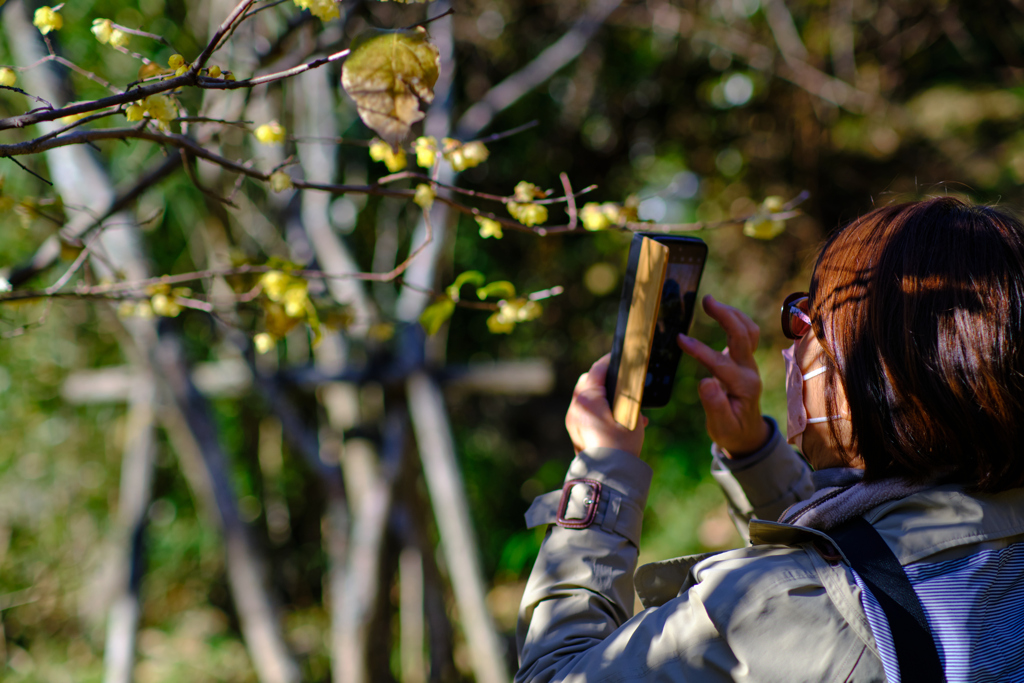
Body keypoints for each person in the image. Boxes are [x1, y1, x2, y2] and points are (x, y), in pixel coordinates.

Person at [516, 197, 1024, 682]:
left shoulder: (762, 608)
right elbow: (874, 558)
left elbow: (554, 677)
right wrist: (754, 452)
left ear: (876, 370)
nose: (796, 345)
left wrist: (602, 474)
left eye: (809, 320)